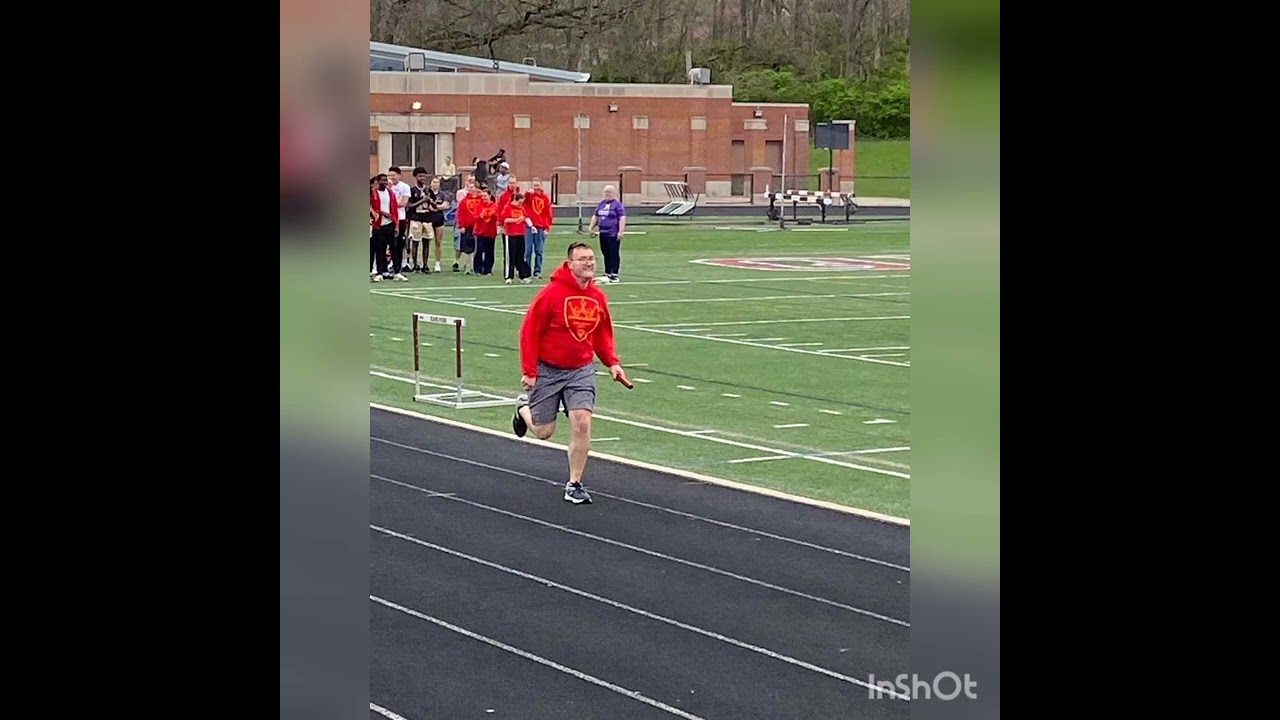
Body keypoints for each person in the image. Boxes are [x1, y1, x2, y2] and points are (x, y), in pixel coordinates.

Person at [513, 242, 630, 504]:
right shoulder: (551, 294)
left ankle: (574, 483)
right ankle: (523, 408)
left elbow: (602, 332)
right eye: (582, 259)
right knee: (544, 431)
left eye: (591, 259)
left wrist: (612, 362)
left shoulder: (598, 297)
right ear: (570, 264)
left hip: (581, 370)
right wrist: (530, 371)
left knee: (582, 422)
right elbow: (529, 333)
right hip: (549, 369)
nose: (589, 263)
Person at [588, 185, 626, 283]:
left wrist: (620, 231)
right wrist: (591, 228)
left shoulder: (617, 205)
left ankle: (614, 274)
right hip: (603, 232)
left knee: (613, 253)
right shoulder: (602, 204)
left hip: (613, 233)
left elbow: (622, 218)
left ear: (614, 193)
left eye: (609, 192)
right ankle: (608, 272)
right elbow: (596, 216)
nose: (607, 194)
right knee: (605, 253)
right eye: (606, 192)